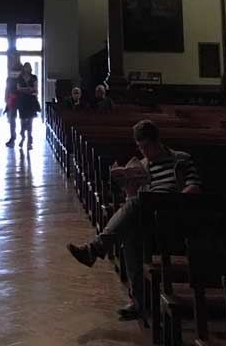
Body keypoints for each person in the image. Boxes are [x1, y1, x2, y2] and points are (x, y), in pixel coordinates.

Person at [67, 121, 201, 321]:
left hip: (174, 215)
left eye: (147, 146)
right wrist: (129, 190)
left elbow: (195, 186)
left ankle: (95, 250)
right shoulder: (142, 165)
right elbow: (134, 201)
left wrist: (176, 199)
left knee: (134, 214)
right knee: (131, 229)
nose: (144, 151)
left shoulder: (180, 160)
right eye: (140, 147)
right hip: (147, 215)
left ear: (158, 142)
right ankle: (138, 302)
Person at [16, 61, 39, 151]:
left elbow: (35, 89)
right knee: (22, 121)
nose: (27, 69)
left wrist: (25, 90)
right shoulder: (20, 77)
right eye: (26, 67)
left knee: (30, 121)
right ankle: (23, 137)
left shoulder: (34, 77)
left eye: (28, 67)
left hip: (31, 101)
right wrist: (27, 89)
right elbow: (18, 89)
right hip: (22, 101)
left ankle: (29, 141)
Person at [4, 53, 22, 147]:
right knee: (12, 118)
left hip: (21, 97)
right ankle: (13, 137)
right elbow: (8, 84)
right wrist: (6, 97)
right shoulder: (11, 70)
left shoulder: (23, 70)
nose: (14, 60)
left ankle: (23, 138)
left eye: (15, 58)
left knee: (23, 119)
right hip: (12, 97)